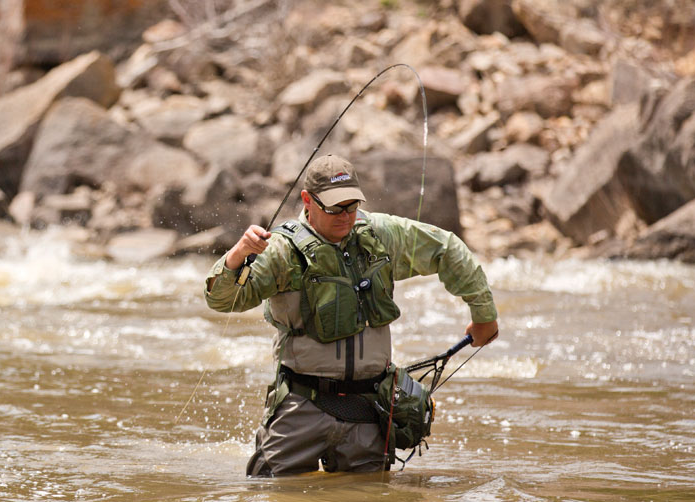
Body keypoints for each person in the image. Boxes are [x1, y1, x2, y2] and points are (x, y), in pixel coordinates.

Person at [203, 154, 499, 476]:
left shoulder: (381, 235)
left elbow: (447, 249)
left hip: (369, 409)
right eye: (334, 208)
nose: (345, 217)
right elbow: (222, 300)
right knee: (270, 496)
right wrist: (237, 256)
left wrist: (483, 315)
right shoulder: (281, 251)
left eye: (351, 205)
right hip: (302, 404)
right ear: (307, 201)